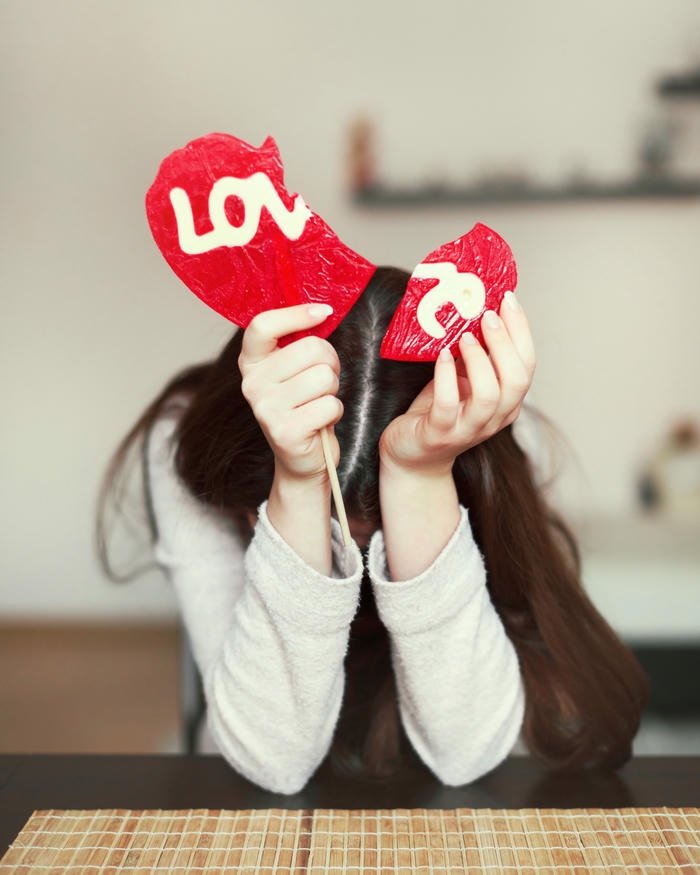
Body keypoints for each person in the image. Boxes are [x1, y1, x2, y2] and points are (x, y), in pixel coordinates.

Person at [95, 266, 649, 794]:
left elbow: (466, 751)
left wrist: (420, 477)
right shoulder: (188, 440)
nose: (355, 563)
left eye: (366, 540)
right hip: (269, 748)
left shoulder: (475, 427)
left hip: (430, 762)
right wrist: (297, 489)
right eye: (342, 539)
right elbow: (274, 758)